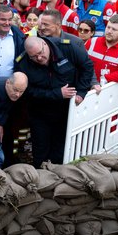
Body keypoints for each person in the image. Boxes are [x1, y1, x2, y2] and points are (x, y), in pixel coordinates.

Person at [16, 35, 93, 166]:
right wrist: (56, 93)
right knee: (40, 150)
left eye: (40, 53)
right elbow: (27, 91)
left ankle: (57, 175)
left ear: (45, 44)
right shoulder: (22, 62)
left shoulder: (67, 47)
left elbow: (87, 67)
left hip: (65, 111)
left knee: (60, 149)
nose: (39, 58)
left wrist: (81, 91)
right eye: (34, 57)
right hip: (40, 112)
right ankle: (41, 177)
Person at [85, 14, 118, 86]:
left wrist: (104, 78)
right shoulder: (92, 42)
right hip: (85, 87)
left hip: (107, 92)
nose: (109, 31)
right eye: (108, 27)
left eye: (114, 29)